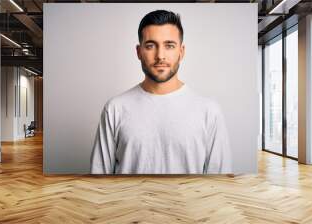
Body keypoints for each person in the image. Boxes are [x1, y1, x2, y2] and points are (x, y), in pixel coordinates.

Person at [90, 9, 232, 174]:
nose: (160, 56)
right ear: (139, 52)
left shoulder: (209, 111)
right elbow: (98, 179)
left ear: (181, 51)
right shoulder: (115, 108)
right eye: (151, 46)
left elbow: (220, 182)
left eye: (169, 45)